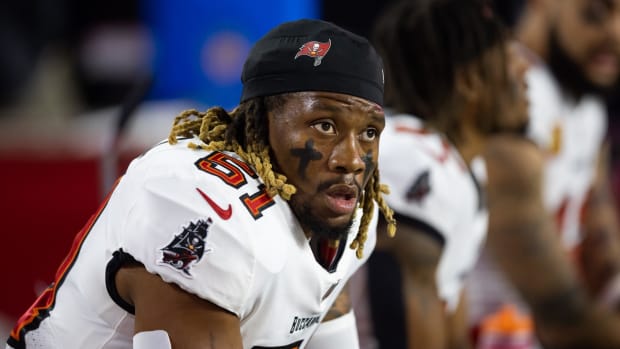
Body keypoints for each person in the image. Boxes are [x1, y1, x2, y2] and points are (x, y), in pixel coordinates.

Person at [5, 18, 396, 349]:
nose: (351, 160)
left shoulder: (343, 206)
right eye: (324, 126)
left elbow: (324, 312)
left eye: (368, 133)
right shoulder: (204, 206)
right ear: (259, 122)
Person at [359, 0, 530, 348]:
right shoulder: (415, 160)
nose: (524, 70)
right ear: (469, 81)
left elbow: (446, 315)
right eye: (508, 56)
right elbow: (398, 328)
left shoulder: (461, 166)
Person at [467, 0, 620, 346]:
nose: (616, 33)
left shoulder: (586, 101)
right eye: (597, 11)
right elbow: (558, 309)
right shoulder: (511, 90)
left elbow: (602, 245)